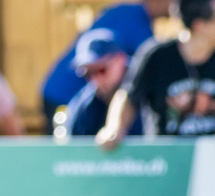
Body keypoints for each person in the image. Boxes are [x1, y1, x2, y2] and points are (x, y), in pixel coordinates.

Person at [96, 0, 215, 151]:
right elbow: (128, 97)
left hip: (213, 152)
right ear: (199, 26)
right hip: (165, 155)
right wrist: (114, 129)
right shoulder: (156, 55)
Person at [40, 0, 169, 115]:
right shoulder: (135, 21)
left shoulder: (123, 11)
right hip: (66, 95)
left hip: (66, 91)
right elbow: (154, 65)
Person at [58, 30, 144, 138]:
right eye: (88, 73)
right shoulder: (84, 107)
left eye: (101, 70)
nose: (95, 79)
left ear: (120, 60)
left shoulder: (150, 90)